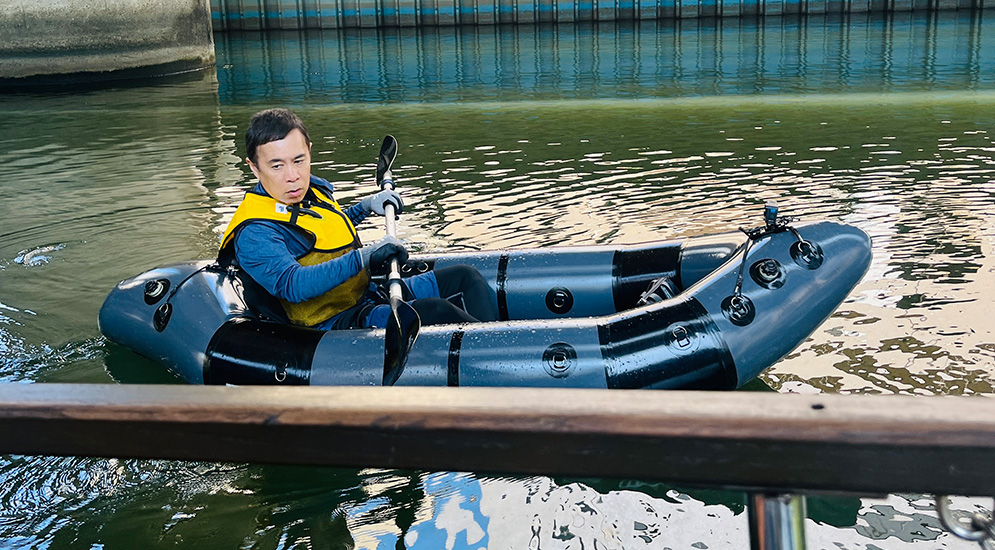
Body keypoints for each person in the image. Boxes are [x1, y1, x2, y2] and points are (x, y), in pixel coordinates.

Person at [218, 108, 498, 330]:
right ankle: (501, 362)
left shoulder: (310, 191)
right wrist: (364, 258)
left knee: (467, 277)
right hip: (333, 321)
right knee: (437, 311)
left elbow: (325, 232)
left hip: (365, 292)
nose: (292, 175)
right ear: (254, 168)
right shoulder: (256, 232)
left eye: (299, 160)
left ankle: (498, 345)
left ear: (310, 152)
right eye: (276, 165)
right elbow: (293, 285)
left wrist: (364, 208)